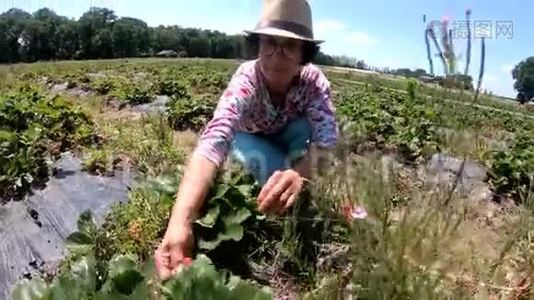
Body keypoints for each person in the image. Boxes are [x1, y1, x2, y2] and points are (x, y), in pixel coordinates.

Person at [154, 0, 339, 280]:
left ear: (304, 53)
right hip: (250, 136)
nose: (277, 55)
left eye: (290, 46)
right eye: (270, 43)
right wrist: (180, 222)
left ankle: (291, 171)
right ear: (258, 46)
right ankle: (277, 170)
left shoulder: (314, 82)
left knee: (303, 135)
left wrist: (300, 174)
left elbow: (327, 142)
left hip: (290, 135)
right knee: (264, 169)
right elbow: (214, 139)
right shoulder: (246, 79)